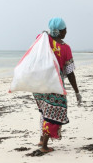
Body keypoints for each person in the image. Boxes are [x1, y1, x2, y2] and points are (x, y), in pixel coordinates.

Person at [32, 17, 82, 154]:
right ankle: (44, 146)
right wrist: (77, 91)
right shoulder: (65, 48)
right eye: (65, 29)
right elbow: (70, 72)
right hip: (54, 85)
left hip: (38, 85)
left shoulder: (42, 39)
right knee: (53, 113)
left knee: (44, 110)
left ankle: (42, 139)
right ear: (60, 31)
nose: (66, 31)